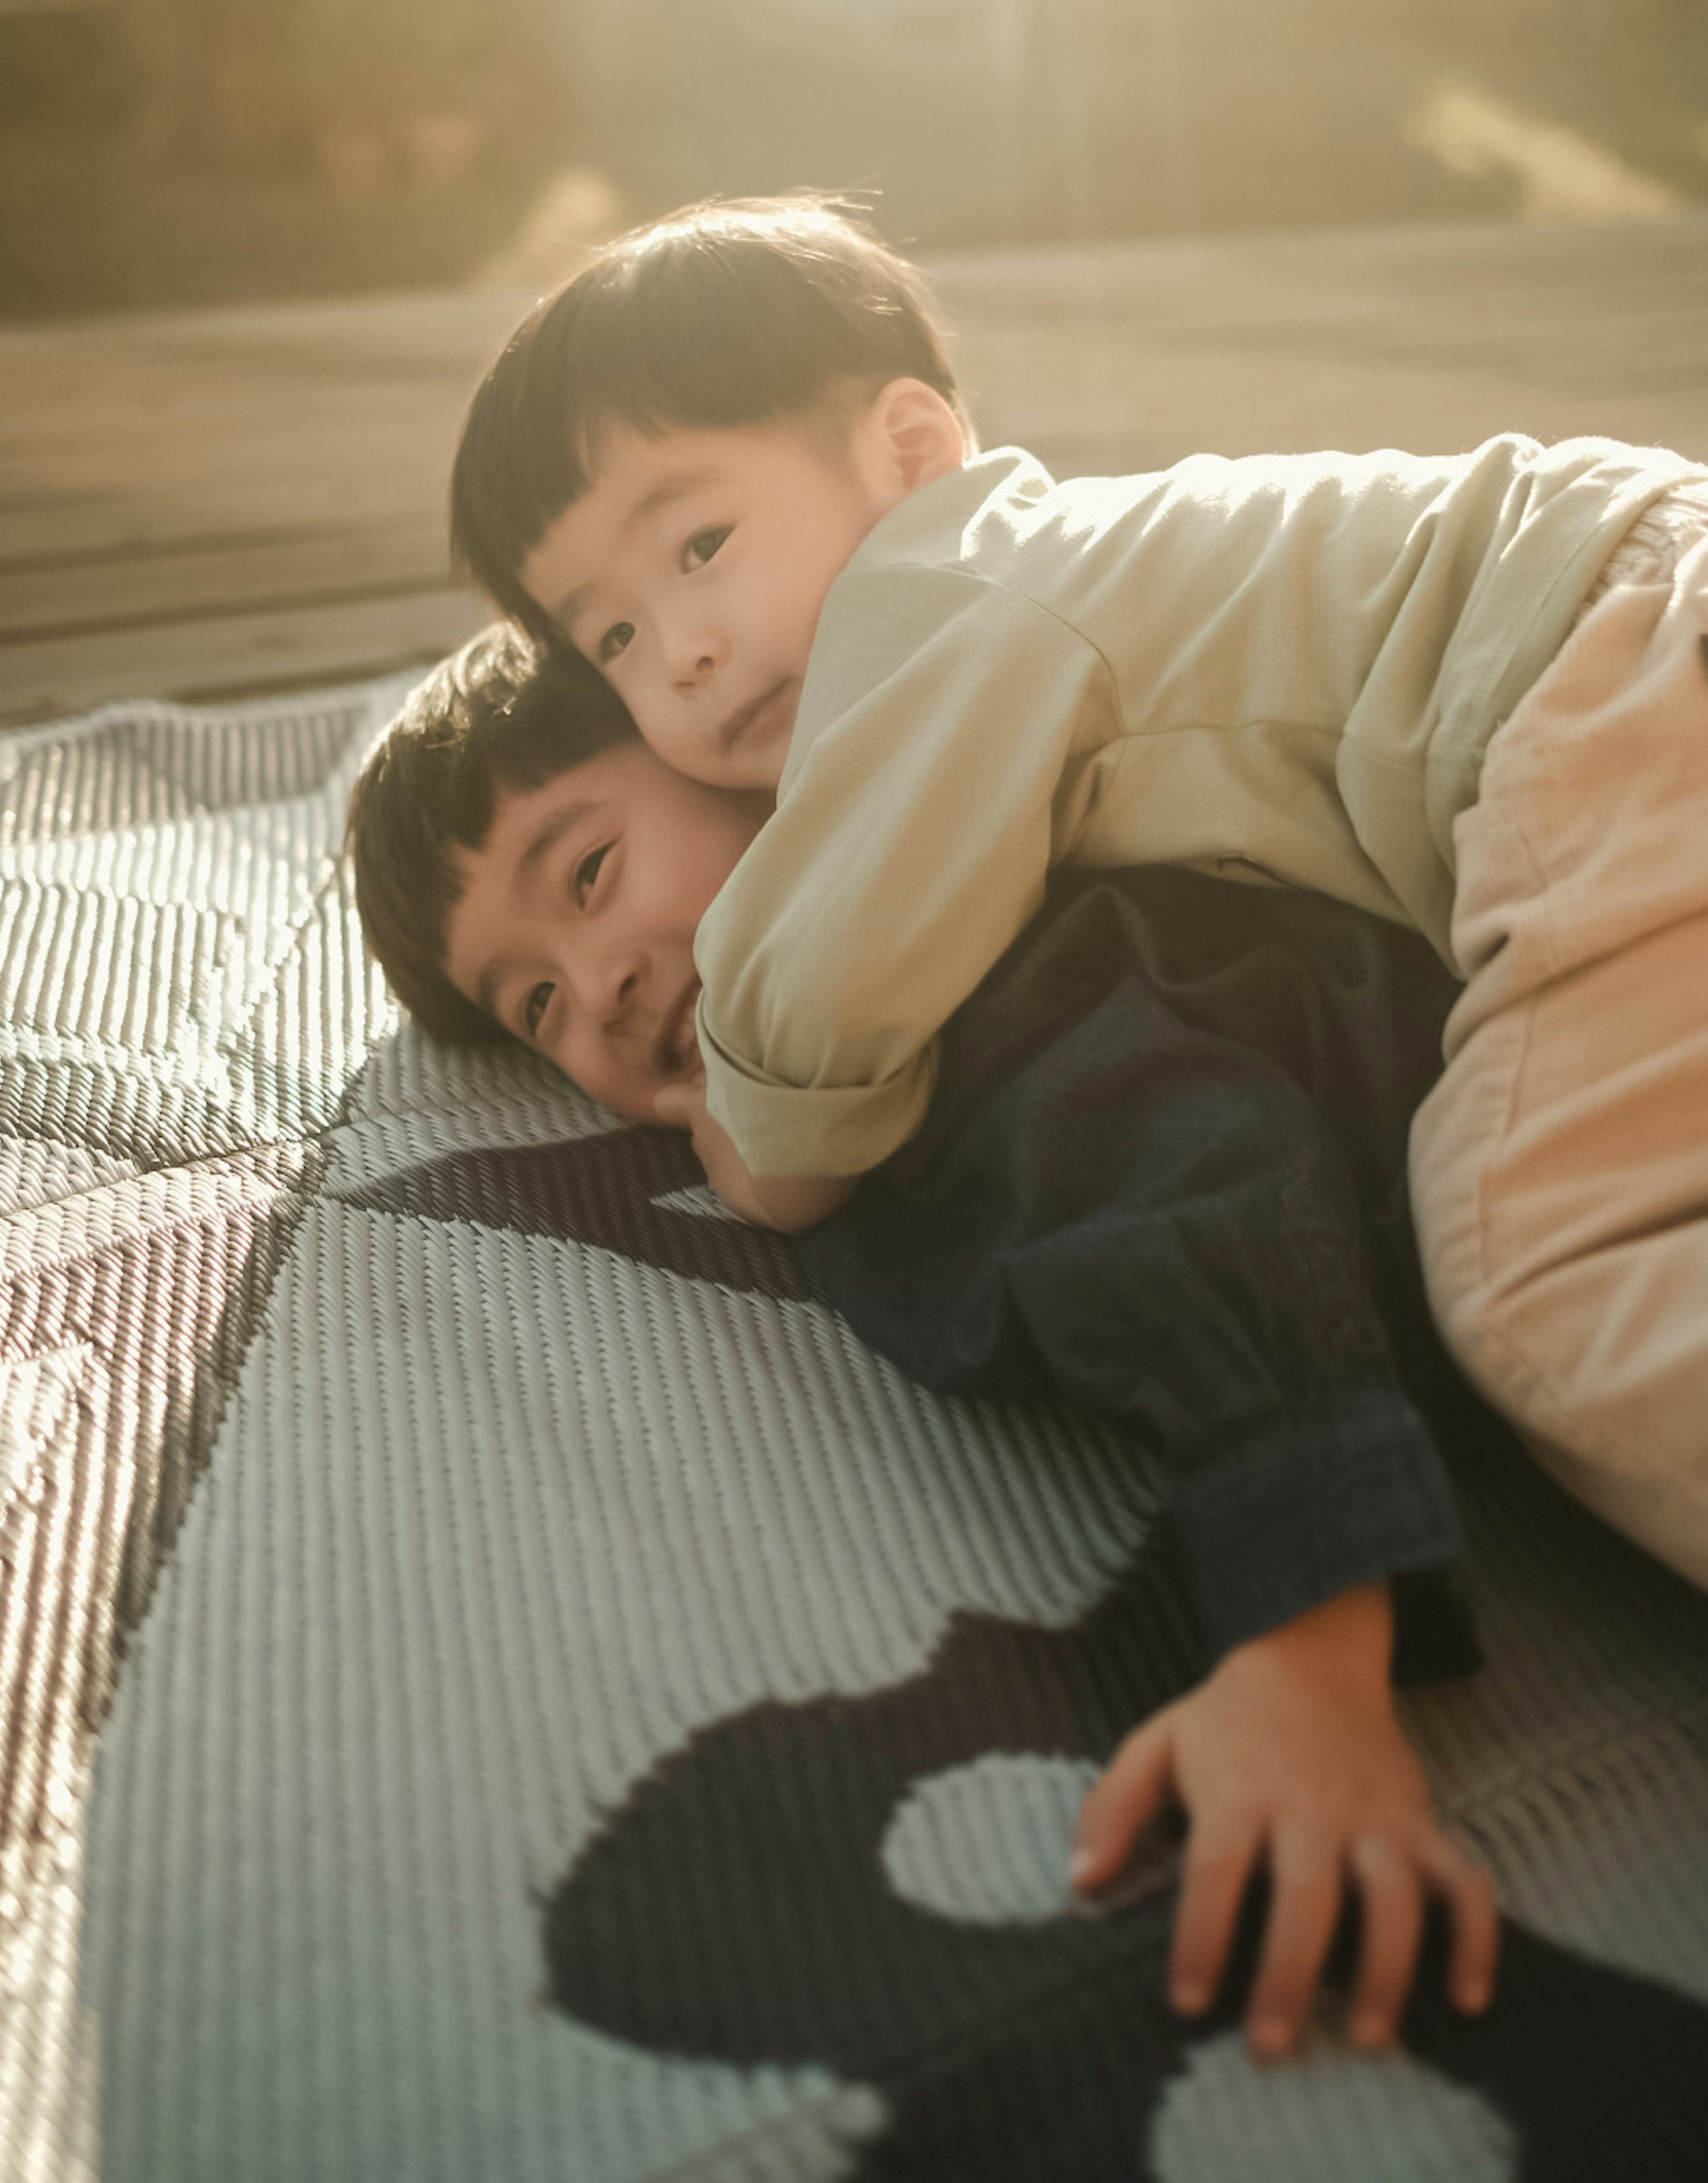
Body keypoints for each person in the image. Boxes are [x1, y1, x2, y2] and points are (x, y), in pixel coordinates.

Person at [448, 197, 1708, 1599]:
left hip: (1605, 682)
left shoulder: (935, 595)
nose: (679, 650)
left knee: (1535, 1286)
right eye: (612, 632)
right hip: (1637, 609)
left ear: (909, 454)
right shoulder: (1052, 567)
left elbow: (833, 956)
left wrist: (749, 1136)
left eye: (699, 548)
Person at [347, 626, 1500, 2065]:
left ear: (759, 760)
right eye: (534, 1006)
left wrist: (1309, 1651)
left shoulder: (984, 970)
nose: (600, 992)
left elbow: (1193, 1194)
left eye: (589, 874)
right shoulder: (847, 1069)